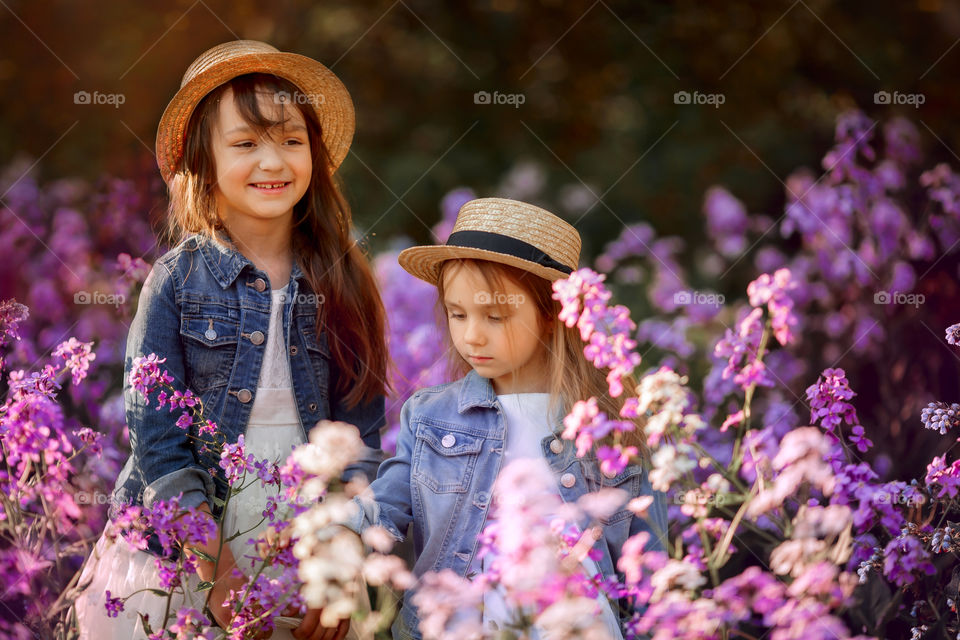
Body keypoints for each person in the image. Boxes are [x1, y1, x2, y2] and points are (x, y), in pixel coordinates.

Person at [72, 40, 388, 640]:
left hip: (303, 537)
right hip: (188, 542)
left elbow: (361, 440)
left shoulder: (344, 278)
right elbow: (157, 442)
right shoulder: (175, 281)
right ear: (203, 160)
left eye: (292, 141)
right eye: (245, 144)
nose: (273, 162)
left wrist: (341, 560)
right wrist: (214, 570)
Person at [344, 198, 668, 639]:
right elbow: (383, 508)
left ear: (553, 315)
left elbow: (649, 568)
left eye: (494, 316)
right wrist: (334, 543)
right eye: (457, 315)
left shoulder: (611, 429)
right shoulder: (431, 416)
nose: (471, 335)